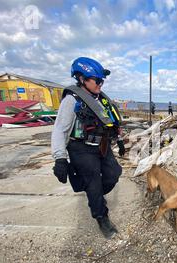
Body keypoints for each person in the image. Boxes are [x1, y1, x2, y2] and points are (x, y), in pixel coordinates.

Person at [51, 57, 125, 239]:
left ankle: (94, 193)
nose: (101, 83)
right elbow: (60, 130)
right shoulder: (71, 100)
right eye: (97, 80)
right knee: (93, 184)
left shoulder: (100, 99)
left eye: (102, 80)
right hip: (81, 149)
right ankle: (101, 217)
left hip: (102, 146)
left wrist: (119, 140)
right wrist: (60, 158)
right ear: (82, 79)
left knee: (113, 174)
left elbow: (110, 123)